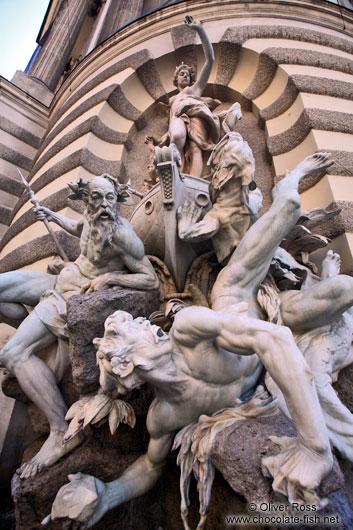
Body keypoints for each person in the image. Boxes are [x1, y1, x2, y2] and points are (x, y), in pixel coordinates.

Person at [45, 153, 337, 529]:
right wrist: (108, 495)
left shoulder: (187, 330)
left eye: (138, 327)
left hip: (237, 293)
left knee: (294, 212)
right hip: (251, 356)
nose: (149, 327)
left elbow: (278, 339)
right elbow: (151, 465)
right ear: (129, 371)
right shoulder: (163, 415)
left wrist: (314, 447)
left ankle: (293, 175)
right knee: (337, 294)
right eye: (131, 333)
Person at [0, 174, 158, 479]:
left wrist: (110, 279)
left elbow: (149, 279)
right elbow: (78, 228)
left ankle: (61, 429)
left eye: (109, 198)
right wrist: (53, 216)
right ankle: (37, 337)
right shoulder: (90, 217)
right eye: (96, 198)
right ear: (86, 200)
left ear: (116, 198)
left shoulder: (121, 234)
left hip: (73, 299)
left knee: (12, 354)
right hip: (62, 278)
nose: (104, 205)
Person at [159, 15, 221, 178]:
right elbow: (172, 118)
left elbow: (210, 60)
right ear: (175, 79)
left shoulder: (195, 89)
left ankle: (194, 180)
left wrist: (200, 31)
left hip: (196, 116)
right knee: (177, 137)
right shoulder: (172, 100)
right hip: (178, 118)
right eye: (182, 74)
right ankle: (175, 176)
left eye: (187, 74)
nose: (185, 76)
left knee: (195, 148)